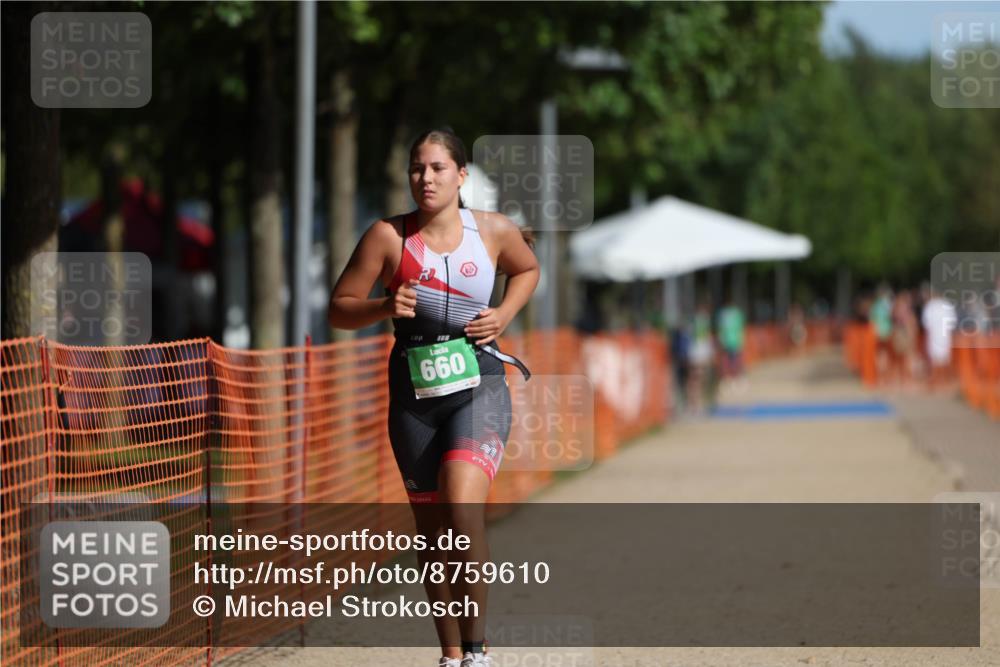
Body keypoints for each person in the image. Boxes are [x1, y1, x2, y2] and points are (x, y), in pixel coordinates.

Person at [328, 128, 539, 667]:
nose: (425, 178)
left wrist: (504, 314)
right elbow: (339, 307)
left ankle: (478, 649)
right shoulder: (387, 238)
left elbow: (528, 268)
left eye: (438, 168)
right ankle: (450, 655)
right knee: (431, 529)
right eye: (417, 169)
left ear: (461, 176)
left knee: (460, 505)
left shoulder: (492, 232)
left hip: (480, 384)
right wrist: (382, 308)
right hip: (414, 395)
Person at [921, 288, 957, 390]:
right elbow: (952, 322)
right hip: (944, 335)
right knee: (944, 358)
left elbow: (926, 323)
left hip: (934, 335)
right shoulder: (947, 305)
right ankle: (944, 380)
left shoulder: (930, 306)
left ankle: (935, 380)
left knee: (934, 358)